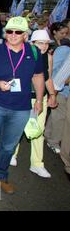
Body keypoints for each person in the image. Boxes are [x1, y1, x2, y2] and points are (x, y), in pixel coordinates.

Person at [0, 17, 45, 194]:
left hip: (21, 108)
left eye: (18, 32)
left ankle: (0, 176)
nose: (13, 35)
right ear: (5, 33)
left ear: (25, 35)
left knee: (8, 145)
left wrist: (38, 99)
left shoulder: (34, 52)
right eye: (10, 31)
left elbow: (38, 76)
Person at [10, 30, 57, 178]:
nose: (43, 46)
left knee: (38, 131)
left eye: (46, 43)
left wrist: (52, 94)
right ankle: (12, 154)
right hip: (23, 98)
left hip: (40, 98)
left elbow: (47, 78)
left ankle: (37, 164)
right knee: (17, 127)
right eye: (40, 43)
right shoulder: (24, 55)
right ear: (32, 43)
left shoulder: (47, 57)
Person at [44, 43, 70, 154]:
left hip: (60, 89)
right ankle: (53, 141)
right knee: (61, 117)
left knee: (57, 115)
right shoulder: (64, 49)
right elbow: (60, 71)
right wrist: (53, 91)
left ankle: (48, 135)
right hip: (61, 89)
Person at [49, 44, 70, 176]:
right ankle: (67, 162)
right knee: (62, 121)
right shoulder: (63, 49)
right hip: (61, 90)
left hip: (62, 91)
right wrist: (53, 94)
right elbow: (61, 73)